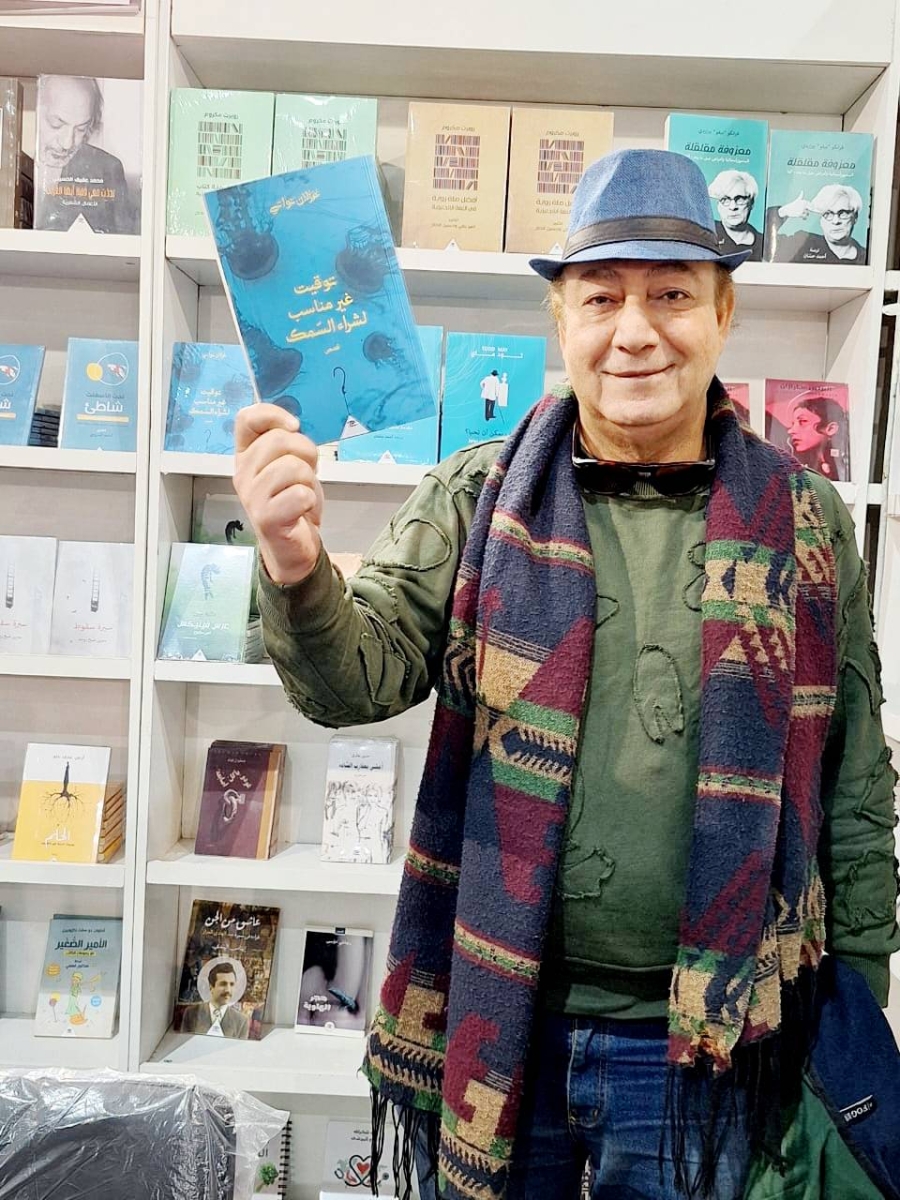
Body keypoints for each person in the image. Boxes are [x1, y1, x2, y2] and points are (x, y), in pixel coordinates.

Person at [233, 149, 899, 1199]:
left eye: (671, 294)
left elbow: (855, 781)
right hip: (502, 1020)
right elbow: (354, 684)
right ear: (561, 318)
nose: (635, 331)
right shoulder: (475, 497)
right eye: (601, 297)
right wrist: (294, 566)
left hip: (714, 1040)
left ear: (723, 313)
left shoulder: (806, 523)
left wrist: (857, 997)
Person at [35, 75, 136, 235]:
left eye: (81, 129)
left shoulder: (107, 170)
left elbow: (124, 238)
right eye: (56, 124)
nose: (67, 143)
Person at [766, 183, 866, 264]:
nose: (836, 221)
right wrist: (784, 212)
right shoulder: (803, 244)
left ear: (855, 217)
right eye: (827, 214)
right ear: (820, 220)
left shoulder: (867, 257)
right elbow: (766, 245)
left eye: (843, 213)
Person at [785, 391, 850, 480]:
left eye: (803, 421)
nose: (791, 431)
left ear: (831, 429)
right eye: (793, 424)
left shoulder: (845, 465)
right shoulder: (795, 465)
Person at [177, 960, 249, 1039]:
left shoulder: (241, 1021)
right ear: (211, 987)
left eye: (231, 984)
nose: (228, 990)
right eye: (223, 984)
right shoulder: (191, 1013)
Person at [707, 168, 763, 261]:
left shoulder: (763, 243)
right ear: (718, 206)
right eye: (725, 200)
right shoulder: (705, 235)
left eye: (740, 199)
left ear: (751, 203)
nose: (733, 207)